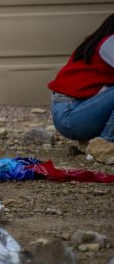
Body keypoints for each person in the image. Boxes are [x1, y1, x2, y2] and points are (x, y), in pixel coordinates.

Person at [48, 13, 114, 163]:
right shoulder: (109, 43)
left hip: (76, 111)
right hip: (70, 116)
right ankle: (106, 144)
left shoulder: (102, 42)